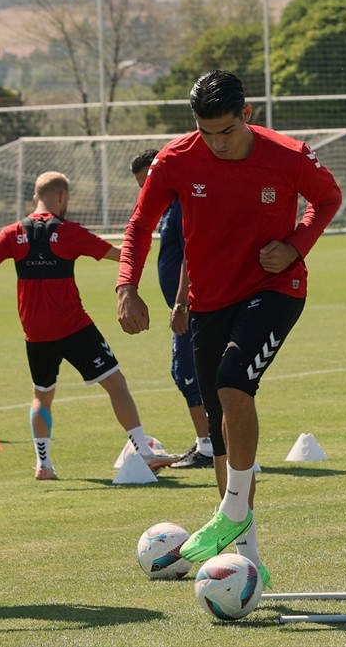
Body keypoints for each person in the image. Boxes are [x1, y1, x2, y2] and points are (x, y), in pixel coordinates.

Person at [116, 70, 342, 588]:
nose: (216, 143)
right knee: (218, 430)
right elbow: (140, 225)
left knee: (233, 380)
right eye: (206, 132)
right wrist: (127, 285)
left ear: (248, 114)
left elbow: (328, 199)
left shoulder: (288, 155)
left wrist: (296, 245)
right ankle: (248, 562)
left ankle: (233, 510)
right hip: (208, 302)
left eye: (227, 131)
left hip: (275, 288)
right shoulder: (175, 159)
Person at [0, 171, 178, 481]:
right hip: (74, 328)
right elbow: (121, 255)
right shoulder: (68, 232)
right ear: (62, 196)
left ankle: (43, 465)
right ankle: (144, 451)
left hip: (35, 333)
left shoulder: (13, 233)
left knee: (41, 395)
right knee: (116, 383)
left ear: (36, 197)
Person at [129, 149, 213, 470]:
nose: (147, 192)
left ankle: (210, 447)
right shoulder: (168, 208)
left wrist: (181, 302)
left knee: (187, 373)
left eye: (149, 183)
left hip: (193, 305)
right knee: (193, 373)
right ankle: (213, 442)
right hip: (188, 304)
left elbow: (193, 252)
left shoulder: (183, 204)